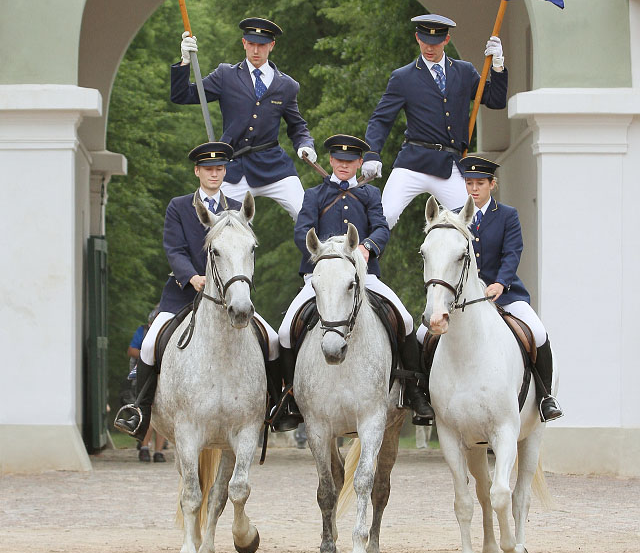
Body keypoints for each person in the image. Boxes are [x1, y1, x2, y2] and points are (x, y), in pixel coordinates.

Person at [114, 141, 287, 440]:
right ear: (197, 171)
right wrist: (191, 276)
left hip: (230, 296)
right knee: (149, 344)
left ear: (225, 171)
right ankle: (140, 411)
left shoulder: (237, 210)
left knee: (272, 340)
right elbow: (174, 248)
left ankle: (278, 407)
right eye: (208, 169)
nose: (214, 174)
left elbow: (243, 252)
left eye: (219, 169)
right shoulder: (179, 206)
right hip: (183, 294)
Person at [278, 134, 433, 426]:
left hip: (364, 276)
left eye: (351, 161)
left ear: (360, 163)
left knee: (407, 320)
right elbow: (302, 232)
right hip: (321, 278)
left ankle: (414, 391)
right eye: (339, 160)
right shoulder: (314, 195)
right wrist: (323, 254)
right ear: (330, 161)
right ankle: (288, 396)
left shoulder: (371, 194)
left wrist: (368, 247)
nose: (344, 165)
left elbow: (381, 229)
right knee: (285, 332)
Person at [416, 155, 562, 422]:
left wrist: (501, 282)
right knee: (421, 335)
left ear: (492, 184)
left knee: (538, 334)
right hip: (461, 300)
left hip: (504, 294)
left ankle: (545, 397)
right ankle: (423, 395)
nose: (474, 188)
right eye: (469, 183)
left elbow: (513, 252)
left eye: (480, 183)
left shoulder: (507, 215)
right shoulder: (453, 218)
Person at [362, 13, 508, 229]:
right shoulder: (403, 77)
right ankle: (366, 260)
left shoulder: (464, 71)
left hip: (449, 165)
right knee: (384, 217)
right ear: (417, 38)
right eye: (425, 42)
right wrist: (371, 154)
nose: (429, 48)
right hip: (413, 163)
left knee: (474, 224)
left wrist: (497, 66)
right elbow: (381, 119)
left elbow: (495, 100)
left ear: (446, 40)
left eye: (436, 43)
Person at [172, 17, 316, 220]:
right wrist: (184, 61)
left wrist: (305, 144)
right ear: (244, 43)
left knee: (307, 216)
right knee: (213, 224)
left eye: (262, 45)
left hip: (273, 166)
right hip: (233, 167)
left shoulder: (287, 85)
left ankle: (317, 253)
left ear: (272, 45)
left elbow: (297, 126)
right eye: (251, 44)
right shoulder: (225, 75)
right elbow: (183, 95)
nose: (256, 51)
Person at [127, 308, 167, 462]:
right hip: (147, 373)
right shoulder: (143, 331)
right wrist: (148, 357)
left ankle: (159, 451)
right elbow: (131, 350)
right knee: (146, 409)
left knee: (163, 412)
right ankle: (144, 447)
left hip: (165, 375)